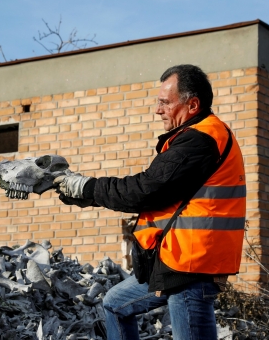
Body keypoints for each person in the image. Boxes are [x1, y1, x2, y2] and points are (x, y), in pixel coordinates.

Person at [54, 64, 246, 339]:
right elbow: (159, 193)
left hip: (190, 267)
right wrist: (85, 195)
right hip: (174, 262)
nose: (158, 110)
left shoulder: (199, 141)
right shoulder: (199, 136)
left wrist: (87, 187)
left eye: (165, 102)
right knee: (115, 304)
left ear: (192, 105)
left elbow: (146, 189)